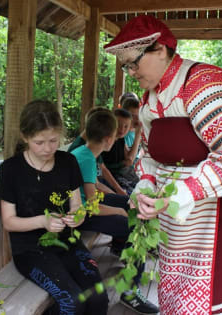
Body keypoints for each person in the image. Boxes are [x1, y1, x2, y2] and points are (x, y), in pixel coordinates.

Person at [104, 15, 222, 315]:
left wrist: (177, 194)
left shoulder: (204, 83)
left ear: (160, 50)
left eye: (133, 62)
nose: (130, 72)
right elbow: (148, 153)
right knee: (179, 282)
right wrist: (146, 185)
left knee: (221, 289)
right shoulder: (149, 98)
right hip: (181, 205)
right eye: (126, 66)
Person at [0, 100, 108, 315]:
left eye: (53, 141)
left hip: (68, 243)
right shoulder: (12, 170)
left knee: (98, 297)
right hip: (31, 250)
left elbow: (78, 206)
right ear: (25, 137)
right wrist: (42, 221)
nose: (48, 149)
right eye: (39, 142)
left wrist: (77, 217)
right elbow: (9, 221)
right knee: (72, 302)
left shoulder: (68, 162)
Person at [71, 110, 159, 314]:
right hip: (80, 215)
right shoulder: (85, 158)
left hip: (85, 205)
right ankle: (130, 291)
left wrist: (122, 202)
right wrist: (118, 211)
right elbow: (91, 206)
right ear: (109, 139)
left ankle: (124, 250)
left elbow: (91, 189)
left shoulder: (86, 152)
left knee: (130, 203)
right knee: (135, 227)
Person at [67, 107, 127, 196]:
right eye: (114, 136)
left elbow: (98, 179)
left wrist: (118, 194)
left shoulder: (87, 150)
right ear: (109, 139)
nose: (116, 139)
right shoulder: (87, 158)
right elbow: (92, 203)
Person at [101, 108, 140, 194]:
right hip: (111, 177)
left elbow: (129, 160)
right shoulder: (105, 142)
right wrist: (122, 164)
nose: (122, 130)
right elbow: (102, 168)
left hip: (121, 174)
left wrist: (138, 133)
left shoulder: (121, 139)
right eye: (118, 125)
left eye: (126, 126)